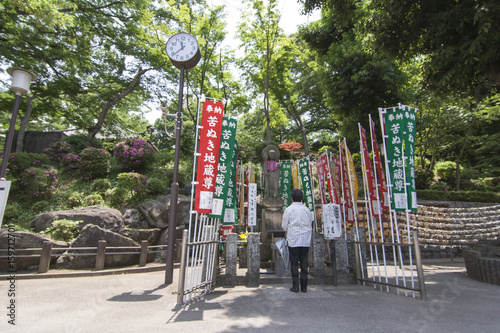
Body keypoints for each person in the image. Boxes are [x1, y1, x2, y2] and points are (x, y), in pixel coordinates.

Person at [281, 189, 313, 293]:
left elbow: (284, 226)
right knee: (304, 262)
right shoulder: (306, 210)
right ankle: (304, 286)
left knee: (294, 263)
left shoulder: (289, 210)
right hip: (305, 239)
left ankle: (295, 286)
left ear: (292, 198)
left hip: (294, 239)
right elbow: (309, 223)